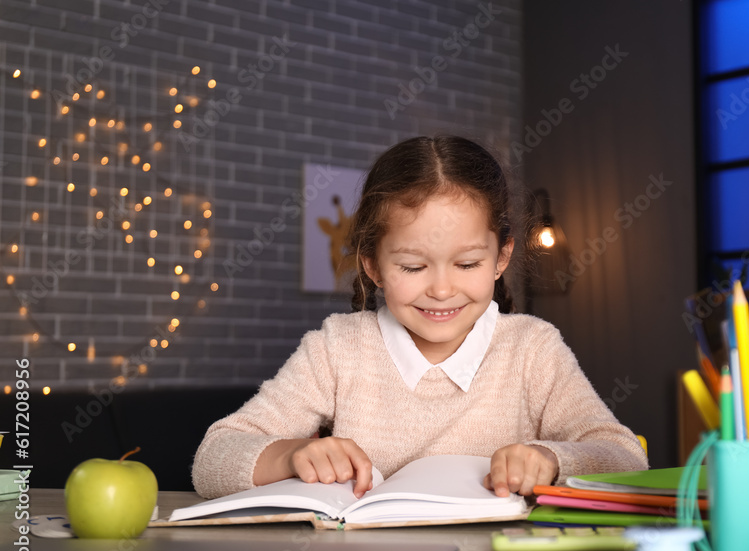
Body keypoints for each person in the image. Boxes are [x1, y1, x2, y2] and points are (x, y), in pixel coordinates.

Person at [192, 135, 648, 501]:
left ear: (501, 257)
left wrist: (549, 459)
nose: (442, 289)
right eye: (412, 267)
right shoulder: (338, 347)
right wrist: (291, 454)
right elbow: (212, 458)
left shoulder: (532, 348)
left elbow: (626, 457)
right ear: (372, 265)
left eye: (467, 264)